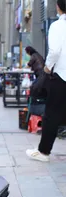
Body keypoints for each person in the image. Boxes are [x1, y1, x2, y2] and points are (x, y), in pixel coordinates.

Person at [26, 0, 66, 162]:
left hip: (62, 75)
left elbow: (55, 50)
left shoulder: (58, 26)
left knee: (52, 114)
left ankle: (43, 152)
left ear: (58, 6)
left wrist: (48, 67)